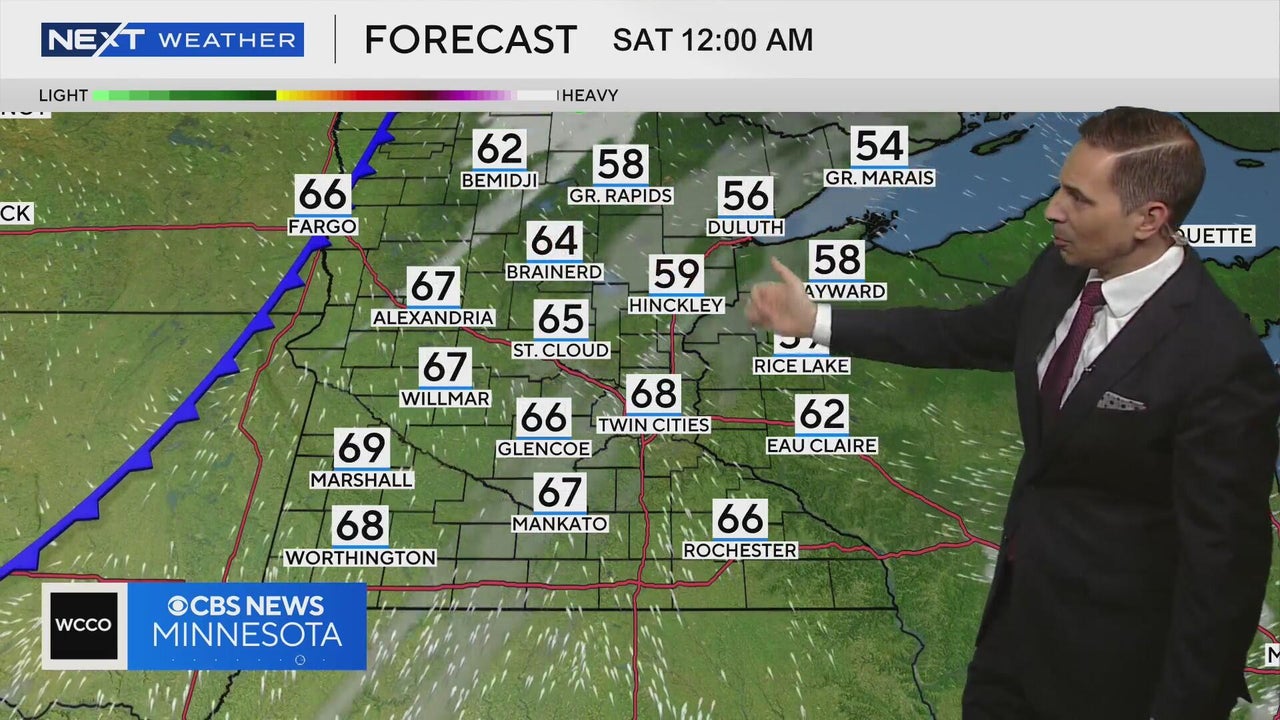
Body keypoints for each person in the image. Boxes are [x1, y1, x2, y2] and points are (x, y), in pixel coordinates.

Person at [745, 107, 1280, 720]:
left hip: (1116, 674)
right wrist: (816, 322)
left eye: (1079, 198)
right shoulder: (1061, 273)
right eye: (1060, 188)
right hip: (1015, 636)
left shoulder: (1217, 360)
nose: (1053, 209)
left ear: (1149, 219)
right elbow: (962, 336)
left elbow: (1225, 566)